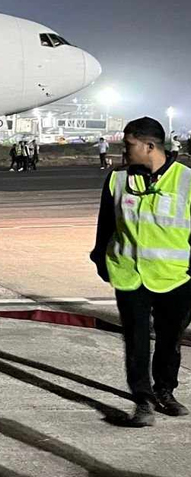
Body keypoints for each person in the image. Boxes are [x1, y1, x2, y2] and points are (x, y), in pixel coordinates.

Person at [89, 117, 191, 426]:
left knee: (170, 340)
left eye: (129, 144)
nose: (124, 150)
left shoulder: (186, 180)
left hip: (176, 276)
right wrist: (101, 261)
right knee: (136, 342)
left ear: (149, 146)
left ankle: (164, 391)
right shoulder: (117, 179)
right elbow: (105, 225)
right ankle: (143, 400)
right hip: (129, 275)